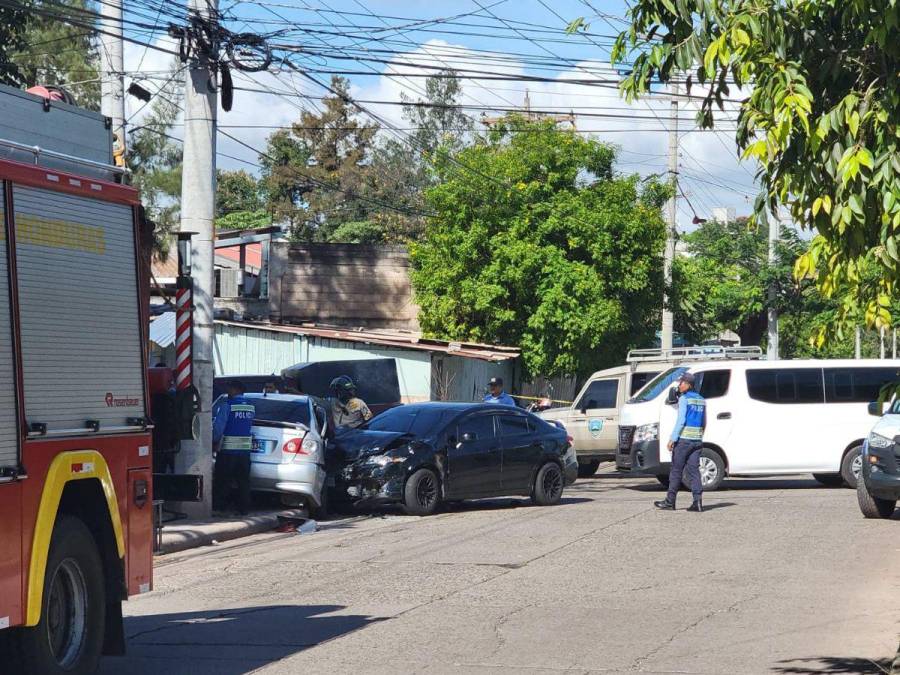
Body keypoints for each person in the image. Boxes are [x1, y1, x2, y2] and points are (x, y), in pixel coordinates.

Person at [655, 372, 706, 512]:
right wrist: (699, 436)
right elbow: (704, 422)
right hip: (697, 440)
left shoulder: (684, 399)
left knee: (676, 471)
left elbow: (681, 420)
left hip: (683, 441)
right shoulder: (701, 399)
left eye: (682, 383)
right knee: (694, 471)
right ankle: (698, 502)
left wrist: (673, 438)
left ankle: (670, 501)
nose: (679, 385)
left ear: (688, 384)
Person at [212, 380, 256, 515]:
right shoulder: (250, 407)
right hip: (244, 451)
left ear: (235, 389)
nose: (227, 391)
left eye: (229, 388)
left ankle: (220, 508)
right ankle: (244, 509)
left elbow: (219, 428)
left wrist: (213, 441)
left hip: (228, 450)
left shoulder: (228, 406)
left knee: (223, 480)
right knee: (243, 481)